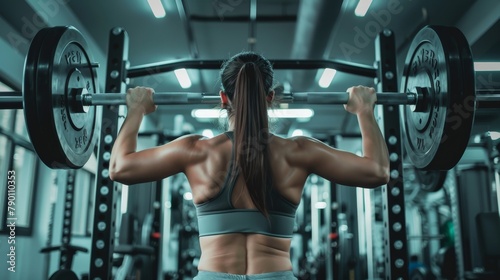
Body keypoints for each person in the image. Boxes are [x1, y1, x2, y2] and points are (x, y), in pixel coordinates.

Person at [109, 51, 390, 279]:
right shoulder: (299, 152)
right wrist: (364, 110)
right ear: (270, 97)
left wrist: (135, 110)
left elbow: (120, 168)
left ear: (222, 98)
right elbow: (377, 171)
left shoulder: (195, 151)